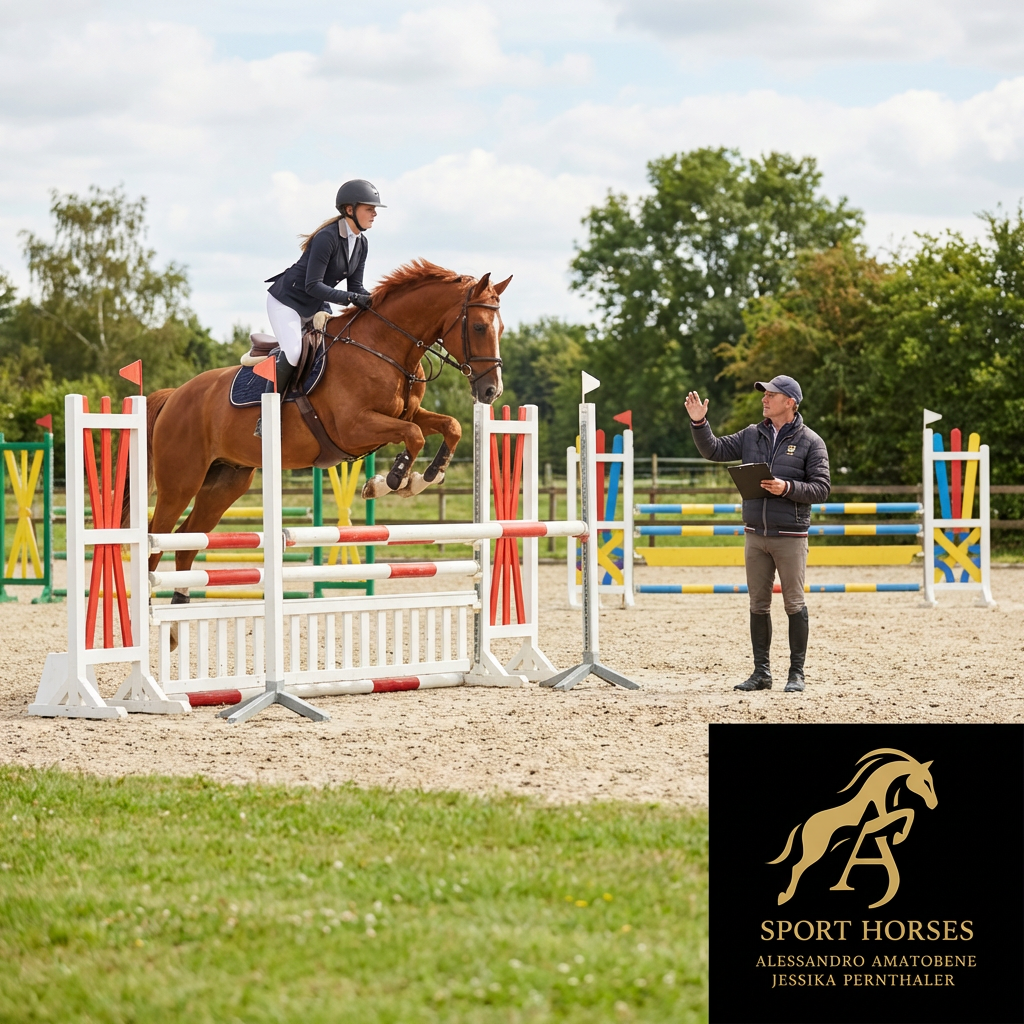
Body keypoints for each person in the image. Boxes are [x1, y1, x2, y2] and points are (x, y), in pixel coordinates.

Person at [683, 375, 830, 692]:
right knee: (758, 605)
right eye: (764, 394)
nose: (764, 399)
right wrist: (699, 423)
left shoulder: (811, 442)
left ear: (789, 402)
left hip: (790, 536)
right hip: (755, 534)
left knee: (794, 604)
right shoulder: (752, 435)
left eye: (770, 395)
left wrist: (786, 487)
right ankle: (761, 673)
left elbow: (821, 489)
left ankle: (796, 674)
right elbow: (715, 450)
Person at [258, 179, 385, 415]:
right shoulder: (327, 238)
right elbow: (313, 285)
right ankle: (267, 415)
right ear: (350, 209)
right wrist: (351, 298)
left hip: (315, 303)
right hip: (287, 302)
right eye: (369, 208)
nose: (375, 213)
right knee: (294, 353)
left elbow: (356, 286)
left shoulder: (361, 243)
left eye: (374, 209)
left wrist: (380, 302)